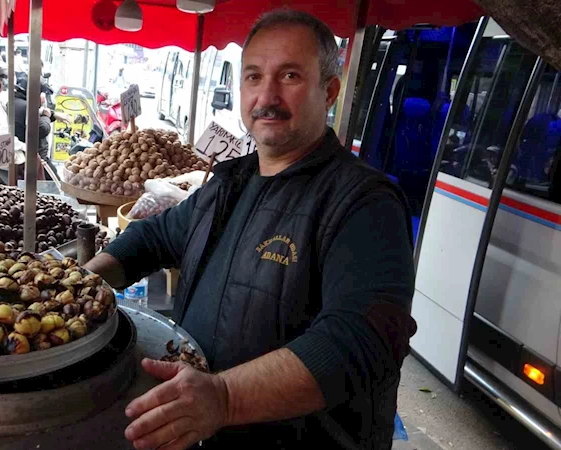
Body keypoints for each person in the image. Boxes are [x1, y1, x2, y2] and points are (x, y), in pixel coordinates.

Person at [83, 9, 417, 450]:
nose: (267, 96)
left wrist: (224, 397)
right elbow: (155, 236)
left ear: (329, 90)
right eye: (254, 77)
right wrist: (83, 284)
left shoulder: (363, 202)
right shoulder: (230, 181)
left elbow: (360, 340)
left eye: (291, 76)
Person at [14, 77, 69, 180]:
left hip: (29, 157)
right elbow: (42, 128)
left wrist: (52, 114)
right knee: (55, 186)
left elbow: (38, 114)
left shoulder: (18, 103)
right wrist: (46, 116)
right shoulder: (26, 107)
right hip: (34, 158)